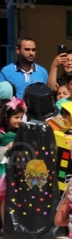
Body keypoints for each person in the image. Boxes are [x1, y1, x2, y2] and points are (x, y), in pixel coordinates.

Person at [0, 98, 26, 231]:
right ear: (6, 117)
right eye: (16, 117)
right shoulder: (2, 134)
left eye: (21, 117)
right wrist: (6, 148)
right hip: (4, 170)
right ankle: (5, 227)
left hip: (16, 168)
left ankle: (12, 225)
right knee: (4, 199)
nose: (20, 120)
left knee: (10, 199)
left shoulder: (22, 132)